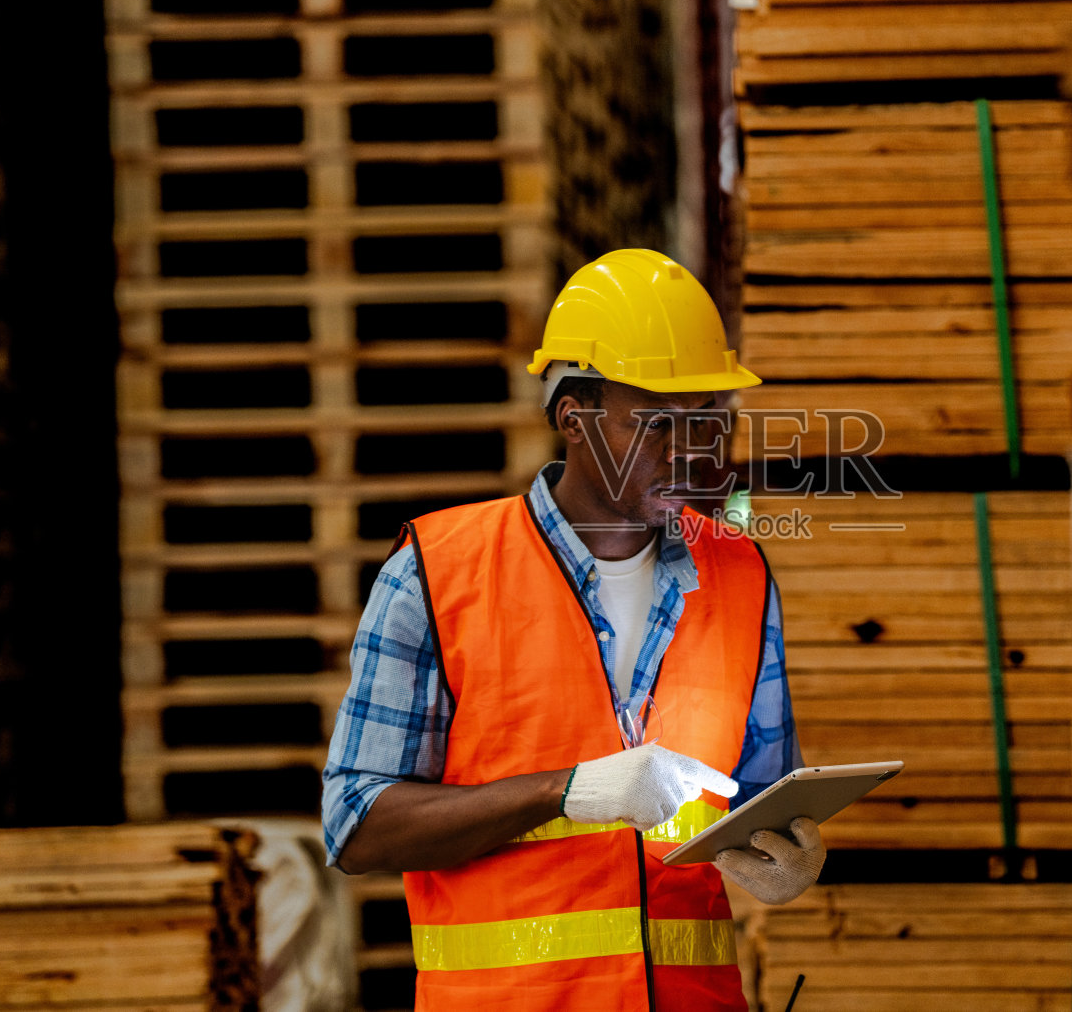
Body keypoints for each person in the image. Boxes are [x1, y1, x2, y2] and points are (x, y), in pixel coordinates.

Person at [321, 248, 825, 1011]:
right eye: (654, 423)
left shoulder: (742, 574)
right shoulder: (437, 572)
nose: (687, 450)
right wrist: (565, 791)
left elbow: (760, 800)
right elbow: (356, 826)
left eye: (706, 419)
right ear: (574, 418)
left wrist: (785, 857)